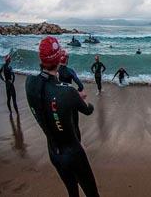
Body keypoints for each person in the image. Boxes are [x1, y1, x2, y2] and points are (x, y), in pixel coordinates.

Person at [25, 36, 99, 197]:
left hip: (54, 152)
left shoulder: (29, 82)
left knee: (72, 192)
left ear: (41, 58)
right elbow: (88, 110)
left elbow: (47, 95)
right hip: (74, 153)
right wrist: (82, 100)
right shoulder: (67, 92)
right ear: (59, 58)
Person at [58, 51, 86, 141]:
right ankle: (78, 143)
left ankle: (65, 141)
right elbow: (80, 86)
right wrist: (78, 92)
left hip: (58, 98)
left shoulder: (55, 70)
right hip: (69, 96)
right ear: (66, 60)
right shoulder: (70, 71)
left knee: (62, 123)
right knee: (75, 124)